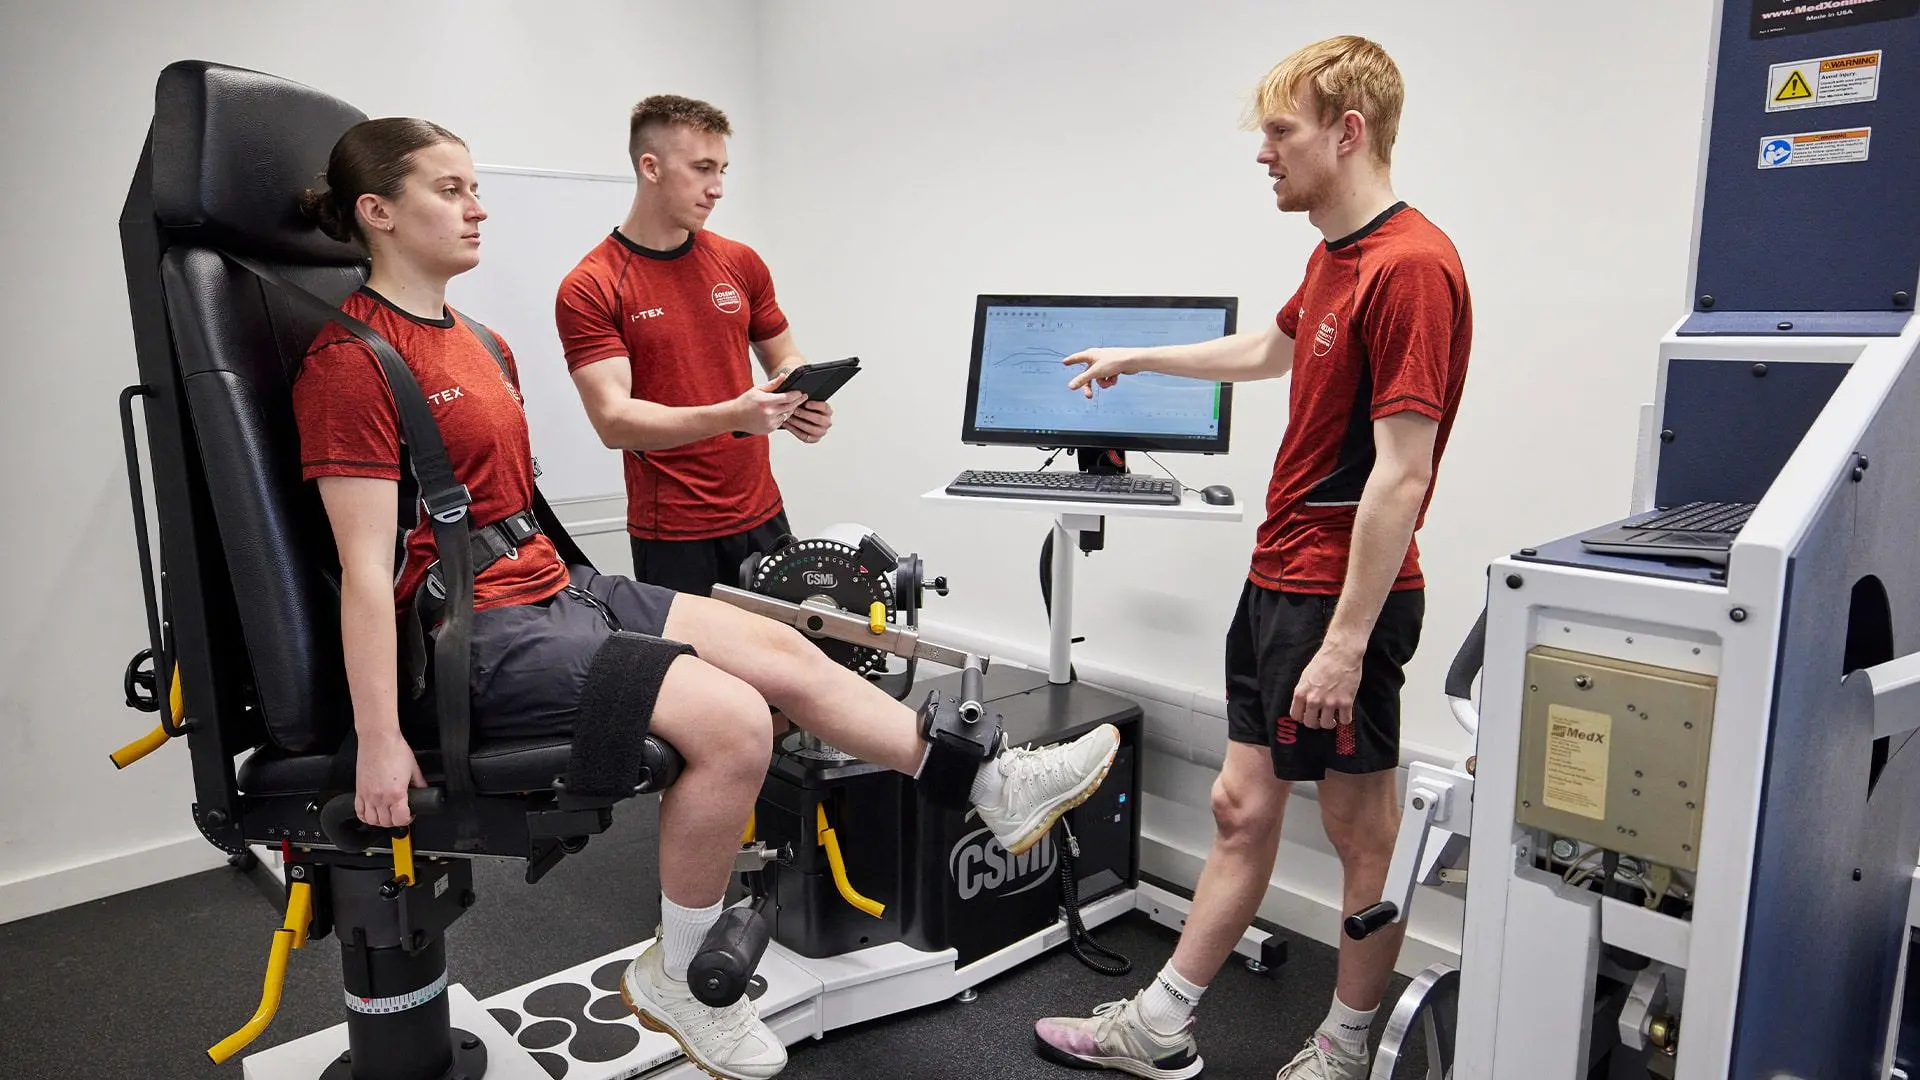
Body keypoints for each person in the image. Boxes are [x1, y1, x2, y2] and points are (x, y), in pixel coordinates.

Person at [290, 117, 1121, 1080]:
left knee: (778, 650)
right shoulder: (352, 362)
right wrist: (383, 737)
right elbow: (362, 569)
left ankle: (989, 783)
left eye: (477, 186)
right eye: (450, 189)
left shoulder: (479, 338)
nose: (478, 207)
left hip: (552, 587)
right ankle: (677, 977)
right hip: (472, 635)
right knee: (733, 724)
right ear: (377, 212)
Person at [1033, 36, 1471, 1080]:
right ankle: (1163, 1023)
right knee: (1240, 808)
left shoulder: (1413, 269)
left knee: (1360, 831)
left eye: (1280, 132)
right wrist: (1141, 357)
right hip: (1280, 581)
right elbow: (1272, 351)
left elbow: (1403, 474)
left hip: (1338, 602)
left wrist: (1348, 644)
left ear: (1346, 132)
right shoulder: (1336, 256)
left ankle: (1345, 1048)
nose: (1263, 154)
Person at [556, 94, 825, 598]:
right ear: (650, 167)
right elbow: (614, 422)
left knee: (785, 667)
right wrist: (732, 415)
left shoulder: (738, 261)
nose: (717, 188)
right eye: (702, 169)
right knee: (698, 670)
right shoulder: (592, 285)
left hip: (763, 512)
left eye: (722, 169)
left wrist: (799, 395)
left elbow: (785, 353)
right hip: (673, 532)